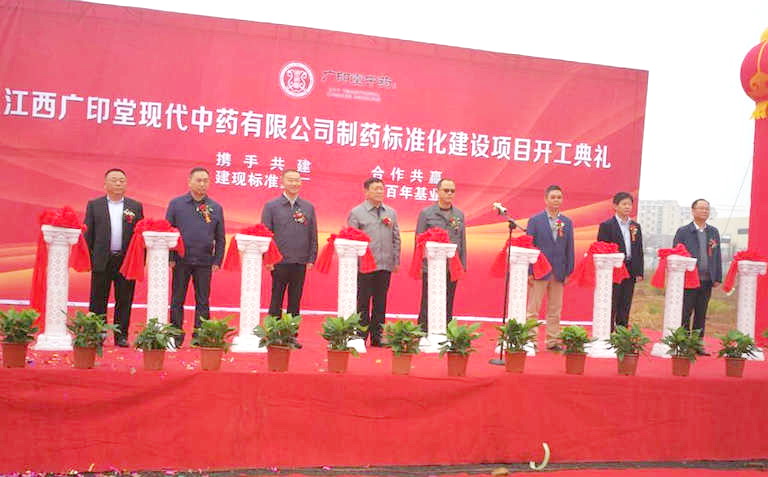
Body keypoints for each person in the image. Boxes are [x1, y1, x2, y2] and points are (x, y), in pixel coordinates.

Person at [166, 167, 225, 347]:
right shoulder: (176, 204)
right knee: (177, 299)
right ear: (189, 181)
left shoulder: (216, 207)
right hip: (180, 260)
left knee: (203, 300)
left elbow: (220, 237)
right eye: (198, 180)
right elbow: (167, 231)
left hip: (205, 261)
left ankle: (200, 336)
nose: (202, 184)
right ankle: (175, 335)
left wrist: (217, 260)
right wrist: (170, 256)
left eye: (205, 180)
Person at [84, 168, 144, 347]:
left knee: (124, 299)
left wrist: (140, 261)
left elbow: (140, 236)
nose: (118, 183)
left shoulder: (135, 206)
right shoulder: (94, 205)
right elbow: (88, 234)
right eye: (114, 180)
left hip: (126, 261)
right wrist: (91, 258)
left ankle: (121, 335)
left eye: (121, 180)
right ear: (105, 184)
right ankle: (97, 333)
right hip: (102, 259)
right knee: (98, 299)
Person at [347, 177, 401, 346]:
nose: (379, 192)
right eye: (375, 189)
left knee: (380, 301)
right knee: (363, 301)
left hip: (385, 264)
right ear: (366, 191)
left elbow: (396, 238)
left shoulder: (390, 212)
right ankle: (360, 336)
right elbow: (351, 240)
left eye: (381, 189)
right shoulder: (356, 213)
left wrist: (395, 260)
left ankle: (377, 337)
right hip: (365, 266)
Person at [262, 169, 318, 321]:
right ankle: (273, 331)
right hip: (278, 261)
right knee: (276, 298)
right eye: (290, 180)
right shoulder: (271, 206)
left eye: (297, 180)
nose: (294, 183)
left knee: (295, 300)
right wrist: (267, 258)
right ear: (282, 182)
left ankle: (292, 332)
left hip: (300, 260)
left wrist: (311, 258)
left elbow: (313, 234)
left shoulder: (308, 207)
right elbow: (265, 234)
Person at [526, 185, 575, 350]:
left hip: (558, 272)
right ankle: (530, 340)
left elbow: (569, 248)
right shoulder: (535, 220)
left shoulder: (567, 222)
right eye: (553, 197)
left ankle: (552, 341)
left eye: (559, 197)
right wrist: (530, 271)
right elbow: (529, 245)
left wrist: (568, 271)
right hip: (539, 271)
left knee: (555, 309)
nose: (556, 200)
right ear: (546, 199)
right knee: (533, 308)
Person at [415, 178, 466, 332]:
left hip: (452, 266)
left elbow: (462, 240)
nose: (449, 193)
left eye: (452, 191)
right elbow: (419, 240)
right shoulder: (426, 213)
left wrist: (462, 264)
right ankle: (423, 332)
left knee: (448, 300)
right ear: (437, 192)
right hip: (431, 265)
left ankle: (446, 331)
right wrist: (419, 265)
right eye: (446, 190)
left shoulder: (459, 214)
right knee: (428, 299)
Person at [673, 198, 722, 354]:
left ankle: (697, 344)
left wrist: (717, 277)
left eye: (707, 209)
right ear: (693, 211)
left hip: (707, 280)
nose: (704, 211)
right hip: (688, 279)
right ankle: (683, 343)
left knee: (701, 313)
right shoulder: (683, 231)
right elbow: (676, 254)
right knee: (685, 312)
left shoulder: (713, 232)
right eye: (701, 208)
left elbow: (717, 256)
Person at [597, 192, 644, 331]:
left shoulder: (635, 226)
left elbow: (639, 249)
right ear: (615, 206)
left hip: (630, 269)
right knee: (611, 301)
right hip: (613, 269)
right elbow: (601, 248)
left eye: (629, 204)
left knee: (625, 302)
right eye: (624, 204)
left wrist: (639, 271)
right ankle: (608, 332)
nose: (627, 207)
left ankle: (622, 333)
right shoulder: (607, 226)